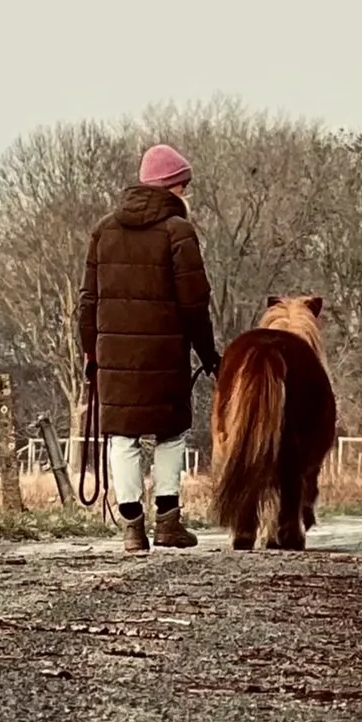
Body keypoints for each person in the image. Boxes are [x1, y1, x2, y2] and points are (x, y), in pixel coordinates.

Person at [77, 144, 221, 553]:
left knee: (122, 438)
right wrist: (208, 354)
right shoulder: (179, 232)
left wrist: (91, 354)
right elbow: (195, 303)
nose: (187, 195)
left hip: (115, 360)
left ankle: (131, 528)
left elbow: (88, 301)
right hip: (165, 356)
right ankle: (168, 523)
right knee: (170, 434)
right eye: (185, 186)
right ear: (172, 187)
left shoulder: (104, 230)